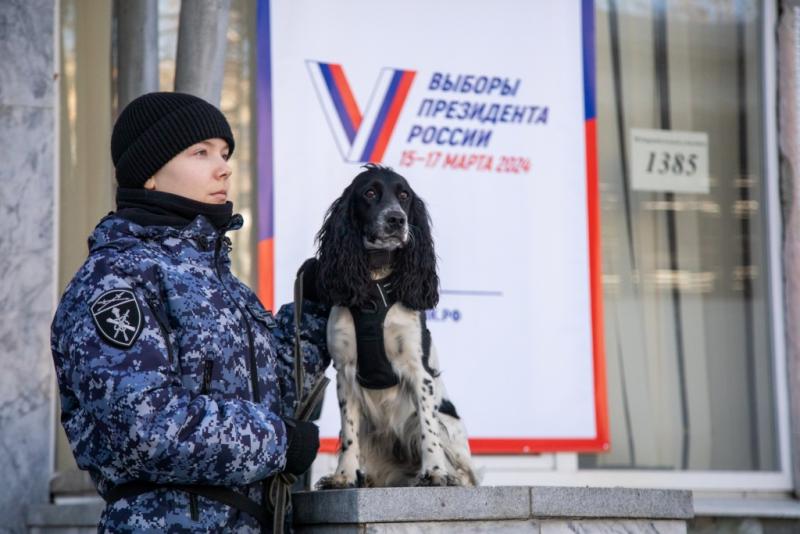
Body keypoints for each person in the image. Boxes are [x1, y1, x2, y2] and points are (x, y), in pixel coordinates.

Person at [50, 92, 329, 532]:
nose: (223, 167)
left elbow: (279, 402)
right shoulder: (117, 279)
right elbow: (146, 428)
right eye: (200, 152)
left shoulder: (224, 285)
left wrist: (316, 313)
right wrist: (279, 441)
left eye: (224, 153)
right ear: (151, 175)